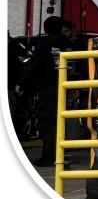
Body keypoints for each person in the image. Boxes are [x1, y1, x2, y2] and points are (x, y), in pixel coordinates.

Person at [16, 16, 72, 167]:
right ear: (61, 28)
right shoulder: (68, 43)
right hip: (68, 86)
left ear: (45, 29)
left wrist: (22, 83)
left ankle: (50, 156)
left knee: (47, 122)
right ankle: (62, 155)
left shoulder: (44, 44)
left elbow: (33, 65)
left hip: (48, 88)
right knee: (63, 120)